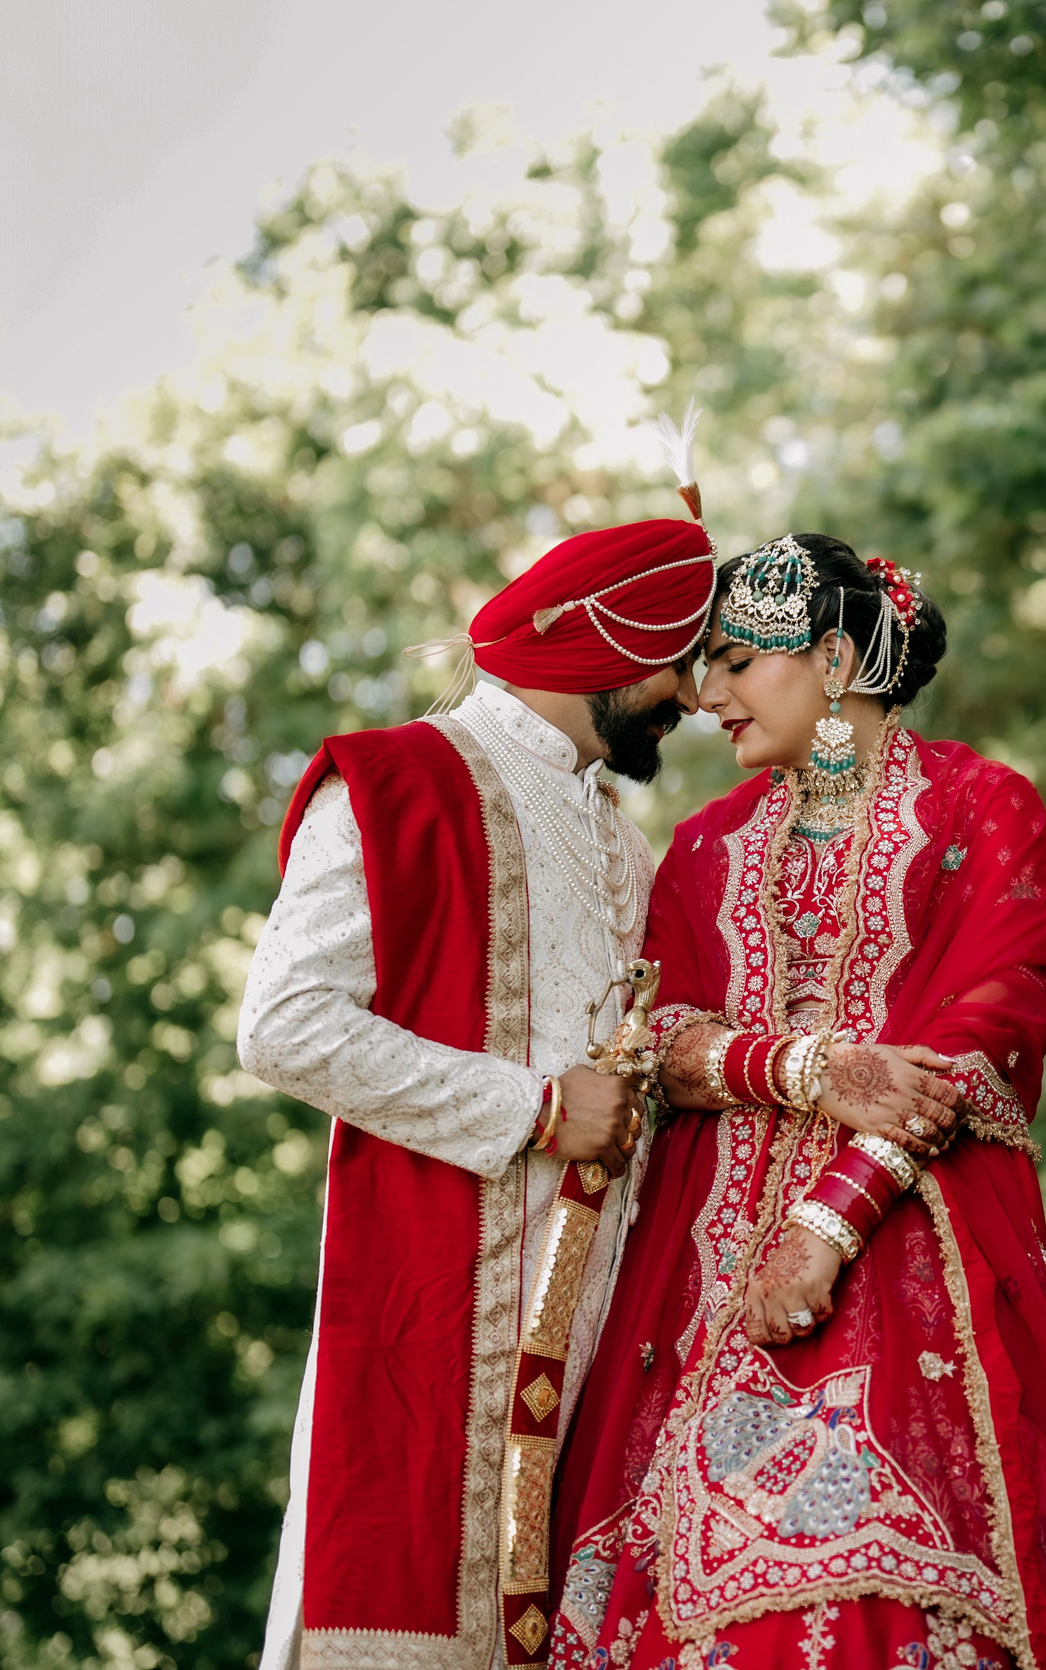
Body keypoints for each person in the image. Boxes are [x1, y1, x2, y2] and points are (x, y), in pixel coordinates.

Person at [544, 534, 1046, 1670]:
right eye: (702, 666)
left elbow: (971, 1045)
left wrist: (824, 1227)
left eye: (739, 661)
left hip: (907, 1265)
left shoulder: (983, 810)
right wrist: (810, 1070)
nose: (706, 695)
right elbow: (657, 1044)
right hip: (696, 1287)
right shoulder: (698, 851)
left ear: (833, 658)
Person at [239, 508, 714, 1670]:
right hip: (429, 1340)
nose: (695, 699)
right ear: (607, 641)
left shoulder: (622, 835)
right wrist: (538, 1109)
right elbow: (283, 1025)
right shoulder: (396, 782)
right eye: (678, 662)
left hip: (602, 1362)